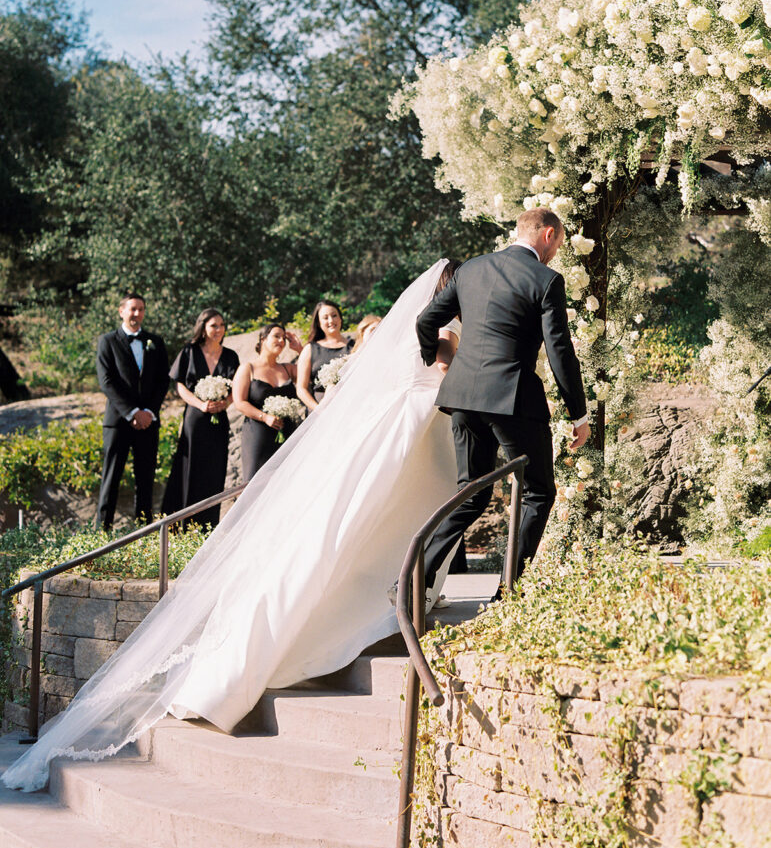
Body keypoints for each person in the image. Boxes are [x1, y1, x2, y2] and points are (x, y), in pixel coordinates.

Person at [2, 260, 459, 793]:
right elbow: (442, 372)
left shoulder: (412, 329)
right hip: (410, 425)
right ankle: (253, 659)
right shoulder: (442, 330)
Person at [416, 207, 589, 592]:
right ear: (547, 235)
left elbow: (425, 322)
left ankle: (417, 578)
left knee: (471, 492)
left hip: (461, 397)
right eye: (558, 242)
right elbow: (560, 352)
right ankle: (507, 591)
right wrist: (578, 415)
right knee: (539, 491)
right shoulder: (546, 280)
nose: (557, 252)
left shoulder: (471, 269)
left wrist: (438, 360)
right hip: (512, 400)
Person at [95, 292, 170, 529]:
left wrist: (148, 411)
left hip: (148, 420)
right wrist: (132, 412)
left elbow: (162, 380)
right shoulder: (107, 341)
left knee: (145, 478)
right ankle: (101, 531)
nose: (136, 313)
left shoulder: (155, 342)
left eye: (140, 309)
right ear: (121, 311)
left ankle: (143, 532)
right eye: (132, 309)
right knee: (111, 477)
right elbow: (106, 381)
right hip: (118, 421)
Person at [161, 309, 240, 530]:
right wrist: (200, 404)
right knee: (190, 468)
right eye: (214, 325)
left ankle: (208, 525)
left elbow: (238, 386)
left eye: (222, 325)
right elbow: (180, 385)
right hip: (195, 419)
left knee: (215, 470)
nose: (219, 329)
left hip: (219, 420)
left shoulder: (231, 356)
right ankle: (182, 525)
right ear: (203, 327)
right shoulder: (189, 351)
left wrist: (226, 403)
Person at [231, 323, 302, 482]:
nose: (281, 341)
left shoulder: (288, 369)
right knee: (256, 483)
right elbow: (239, 402)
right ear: (263, 339)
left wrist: (300, 350)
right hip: (258, 435)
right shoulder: (247, 368)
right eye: (276, 336)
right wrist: (265, 417)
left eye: (283, 338)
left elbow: (310, 372)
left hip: (287, 433)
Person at [295, 300, 354, 410]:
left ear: (340, 318)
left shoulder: (354, 346)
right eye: (325, 317)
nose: (331, 320)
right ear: (318, 322)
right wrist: (319, 410)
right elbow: (301, 389)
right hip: (320, 411)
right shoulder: (310, 349)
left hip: (350, 408)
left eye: (334, 315)